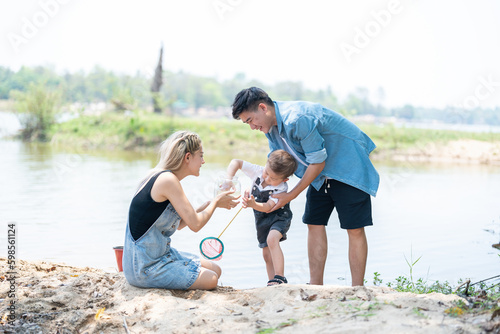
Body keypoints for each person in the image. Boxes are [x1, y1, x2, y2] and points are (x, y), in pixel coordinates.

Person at [231, 87, 380, 286]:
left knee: (353, 228)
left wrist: (290, 195)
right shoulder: (271, 129)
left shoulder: (297, 118)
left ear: (262, 107)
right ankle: (316, 284)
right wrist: (258, 186)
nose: (252, 127)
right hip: (319, 175)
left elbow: (318, 162)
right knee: (314, 222)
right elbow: (279, 166)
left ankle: (357, 288)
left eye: (250, 120)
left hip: (347, 166)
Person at [122, 131, 239, 290]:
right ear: (188, 157)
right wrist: (217, 202)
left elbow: (180, 224)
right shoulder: (168, 180)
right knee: (211, 279)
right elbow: (195, 225)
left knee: (216, 270)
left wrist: (211, 204)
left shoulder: (163, 177)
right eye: (201, 155)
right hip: (145, 268)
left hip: (158, 257)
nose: (203, 161)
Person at [226, 150, 298, 286]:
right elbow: (236, 162)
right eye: (267, 172)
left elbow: (268, 206)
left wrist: (253, 204)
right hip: (262, 220)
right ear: (265, 165)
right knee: (266, 254)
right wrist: (229, 179)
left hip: (279, 217)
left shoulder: (281, 188)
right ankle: (272, 282)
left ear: (284, 179)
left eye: (273, 178)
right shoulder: (257, 172)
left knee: (272, 240)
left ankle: (280, 277)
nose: (267, 179)